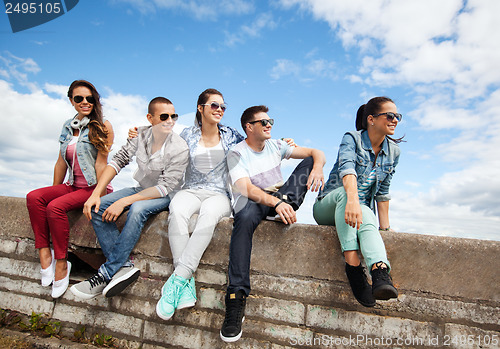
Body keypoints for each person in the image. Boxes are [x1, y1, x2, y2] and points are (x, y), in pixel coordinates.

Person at [219, 105, 326, 343]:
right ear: (249, 127)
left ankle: (286, 202)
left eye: (270, 122)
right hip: (254, 200)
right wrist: (275, 204)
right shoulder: (236, 153)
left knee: (308, 161)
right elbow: (245, 188)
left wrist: (318, 167)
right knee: (244, 218)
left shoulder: (277, 145)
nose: (269, 125)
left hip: (279, 198)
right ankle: (236, 298)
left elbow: (316, 152)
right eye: (263, 122)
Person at [70, 97, 189, 299]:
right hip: (141, 187)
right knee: (98, 208)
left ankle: (106, 273)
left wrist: (125, 201)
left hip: (167, 194)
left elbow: (165, 187)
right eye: (164, 116)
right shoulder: (140, 134)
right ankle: (123, 267)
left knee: (137, 210)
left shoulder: (180, 147)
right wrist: (96, 194)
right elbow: (118, 160)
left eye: (173, 116)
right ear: (150, 118)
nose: (170, 121)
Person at [26, 80, 113, 298]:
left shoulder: (102, 126)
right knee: (35, 197)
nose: (85, 102)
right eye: (79, 98)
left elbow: (102, 163)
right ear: (71, 100)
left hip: (93, 188)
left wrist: (97, 194)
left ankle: (62, 264)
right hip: (72, 186)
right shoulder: (68, 125)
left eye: (89, 98)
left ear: (95, 101)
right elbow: (61, 162)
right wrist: (53, 191)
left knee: (55, 208)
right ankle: (45, 253)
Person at [313, 96, 402, 308]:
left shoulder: (394, 152)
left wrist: (386, 228)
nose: (395, 120)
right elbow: (347, 168)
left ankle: (380, 273)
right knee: (348, 195)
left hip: (359, 211)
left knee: (367, 217)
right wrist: (352, 199)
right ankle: (353, 267)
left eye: (397, 116)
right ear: (371, 119)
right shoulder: (352, 138)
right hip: (329, 204)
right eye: (390, 116)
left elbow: (382, 193)